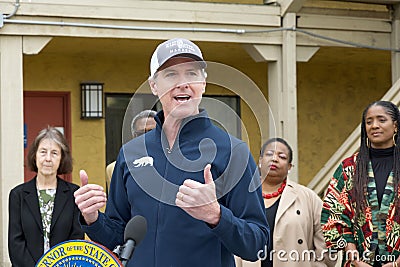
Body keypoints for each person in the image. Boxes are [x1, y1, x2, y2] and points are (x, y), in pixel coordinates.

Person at [74, 37, 269, 266]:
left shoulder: (233, 152)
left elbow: (258, 244)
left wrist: (216, 216)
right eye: (171, 75)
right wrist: (93, 218)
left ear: (203, 82)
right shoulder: (131, 153)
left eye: (192, 73)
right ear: (154, 86)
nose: (183, 83)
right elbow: (120, 240)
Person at [321, 100, 400, 267]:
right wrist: (353, 256)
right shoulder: (349, 168)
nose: (374, 125)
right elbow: (332, 213)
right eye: (369, 121)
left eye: (381, 120)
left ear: (395, 126)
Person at [237, 137, 335, 267]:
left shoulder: (307, 197)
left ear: (289, 166)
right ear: (260, 161)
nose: (274, 159)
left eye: (282, 156)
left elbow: (327, 240)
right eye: (269, 154)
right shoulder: (242, 196)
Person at [8, 126, 84, 267]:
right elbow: (15, 243)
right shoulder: (18, 195)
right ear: (34, 156)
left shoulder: (73, 194)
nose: (48, 158)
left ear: (62, 158)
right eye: (43, 152)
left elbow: (76, 239)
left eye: (54, 153)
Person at [105, 109, 157, 187]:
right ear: (134, 136)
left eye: (151, 132)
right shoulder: (114, 168)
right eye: (141, 133)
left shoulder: (176, 163)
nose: (146, 137)